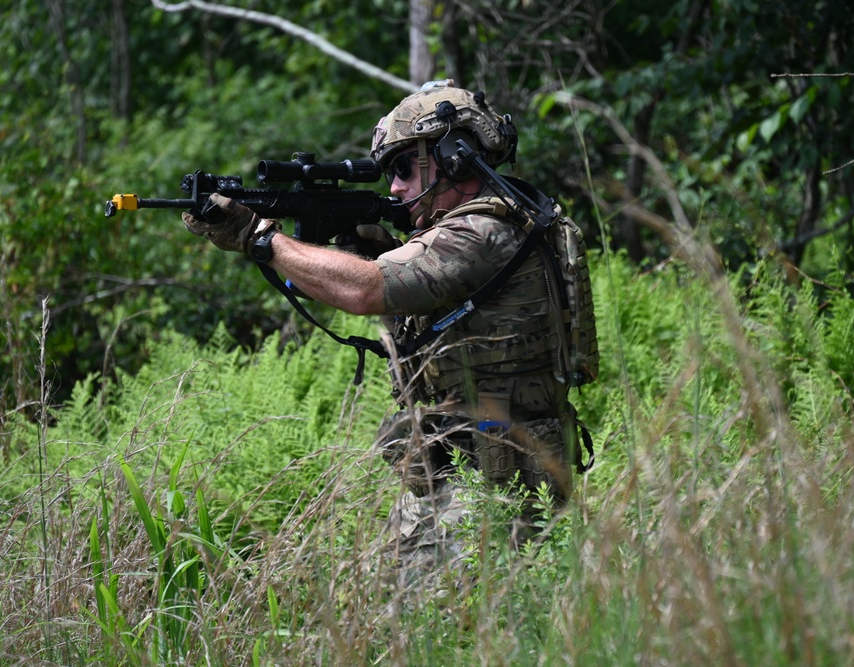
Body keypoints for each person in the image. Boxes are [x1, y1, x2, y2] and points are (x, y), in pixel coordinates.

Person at [182, 80, 583, 584]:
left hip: (502, 479)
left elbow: (366, 291)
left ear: (454, 156)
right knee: (400, 623)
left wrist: (260, 237)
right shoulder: (494, 222)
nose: (392, 187)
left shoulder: (486, 230)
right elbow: (389, 291)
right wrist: (363, 248)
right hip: (457, 465)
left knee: (476, 630)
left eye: (402, 168)